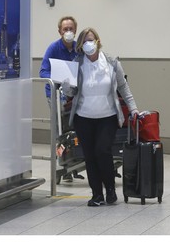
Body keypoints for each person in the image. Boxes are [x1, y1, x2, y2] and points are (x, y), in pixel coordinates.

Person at [62, 27, 139, 206]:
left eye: (92, 39)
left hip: (108, 116)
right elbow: (71, 92)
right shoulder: (77, 64)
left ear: (98, 41)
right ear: (81, 45)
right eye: (86, 41)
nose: (89, 44)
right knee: (89, 156)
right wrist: (66, 85)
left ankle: (110, 189)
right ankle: (97, 195)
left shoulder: (112, 63)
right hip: (83, 117)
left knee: (102, 151)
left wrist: (133, 109)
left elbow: (123, 87)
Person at [39, 16, 78, 182]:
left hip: (73, 95)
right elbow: (43, 71)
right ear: (60, 31)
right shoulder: (53, 48)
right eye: (65, 29)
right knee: (60, 131)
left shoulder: (79, 48)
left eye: (71, 29)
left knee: (73, 129)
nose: (68, 32)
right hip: (56, 94)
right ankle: (62, 167)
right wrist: (59, 78)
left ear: (75, 30)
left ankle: (74, 161)